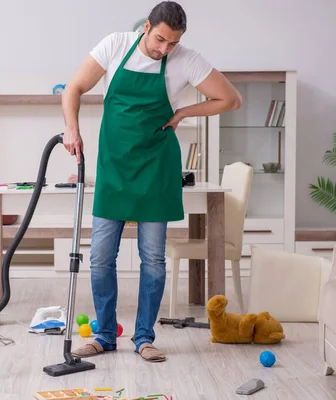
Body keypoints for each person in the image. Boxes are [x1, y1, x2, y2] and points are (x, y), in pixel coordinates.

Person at [61, 1, 242, 362]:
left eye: (172, 43)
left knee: (153, 259)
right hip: (114, 167)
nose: (164, 49)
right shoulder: (115, 45)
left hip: (157, 167)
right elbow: (73, 88)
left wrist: (185, 111)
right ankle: (104, 335)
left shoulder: (186, 59)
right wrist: (71, 128)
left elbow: (231, 99)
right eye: (160, 40)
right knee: (99, 258)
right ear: (146, 27)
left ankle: (144, 337)